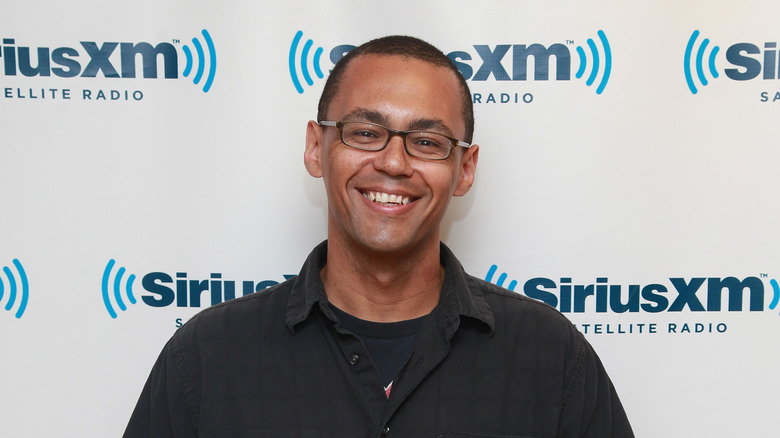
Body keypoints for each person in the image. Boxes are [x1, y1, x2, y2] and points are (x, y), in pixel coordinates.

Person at [124, 35, 634, 437]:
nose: (393, 162)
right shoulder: (208, 357)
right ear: (314, 148)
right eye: (365, 133)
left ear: (464, 169)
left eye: (427, 141)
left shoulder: (550, 357)